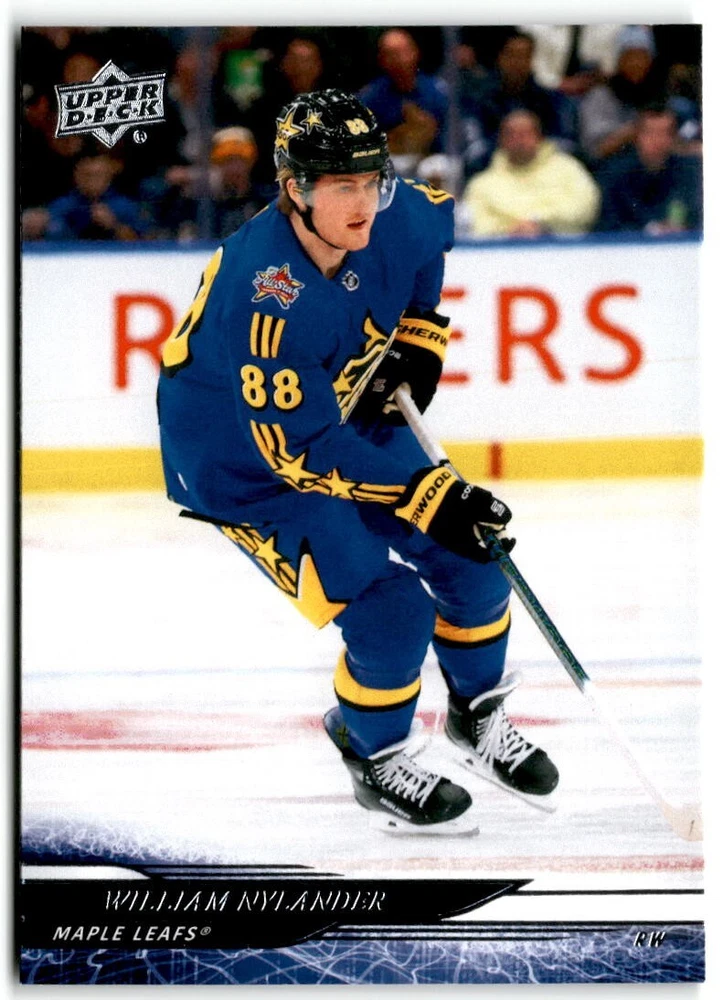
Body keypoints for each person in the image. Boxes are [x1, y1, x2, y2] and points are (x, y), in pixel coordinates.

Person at [157, 89, 559, 835]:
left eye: (372, 179)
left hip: (335, 409)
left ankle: (475, 716)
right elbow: (297, 453)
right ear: (295, 188)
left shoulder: (395, 210)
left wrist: (420, 336)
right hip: (244, 467)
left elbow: (431, 233)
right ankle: (375, 758)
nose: (365, 202)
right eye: (342, 185)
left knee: (472, 558)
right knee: (391, 612)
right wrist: (427, 494)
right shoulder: (267, 296)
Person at [462, 110, 600, 238]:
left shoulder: (569, 169)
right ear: (501, 140)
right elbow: (476, 225)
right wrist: (510, 230)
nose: (519, 141)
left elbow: (584, 209)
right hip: (504, 250)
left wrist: (540, 223)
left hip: (566, 248)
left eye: (525, 134)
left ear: (540, 138)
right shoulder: (481, 184)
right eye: (511, 135)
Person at [596, 105, 702, 234]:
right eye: (651, 133)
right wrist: (651, 228)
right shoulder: (615, 173)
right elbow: (608, 224)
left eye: (665, 133)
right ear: (637, 136)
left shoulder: (689, 171)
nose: (658, 141)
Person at [359, 29, 448, 176]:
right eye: (390, 54)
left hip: (430, 158)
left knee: (440, 168)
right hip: (390, 162)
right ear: (381, 59)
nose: (398, 59)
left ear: (415, 52)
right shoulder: (370, 97)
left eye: (402, 52)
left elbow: (451, 139)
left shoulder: (437, 91)